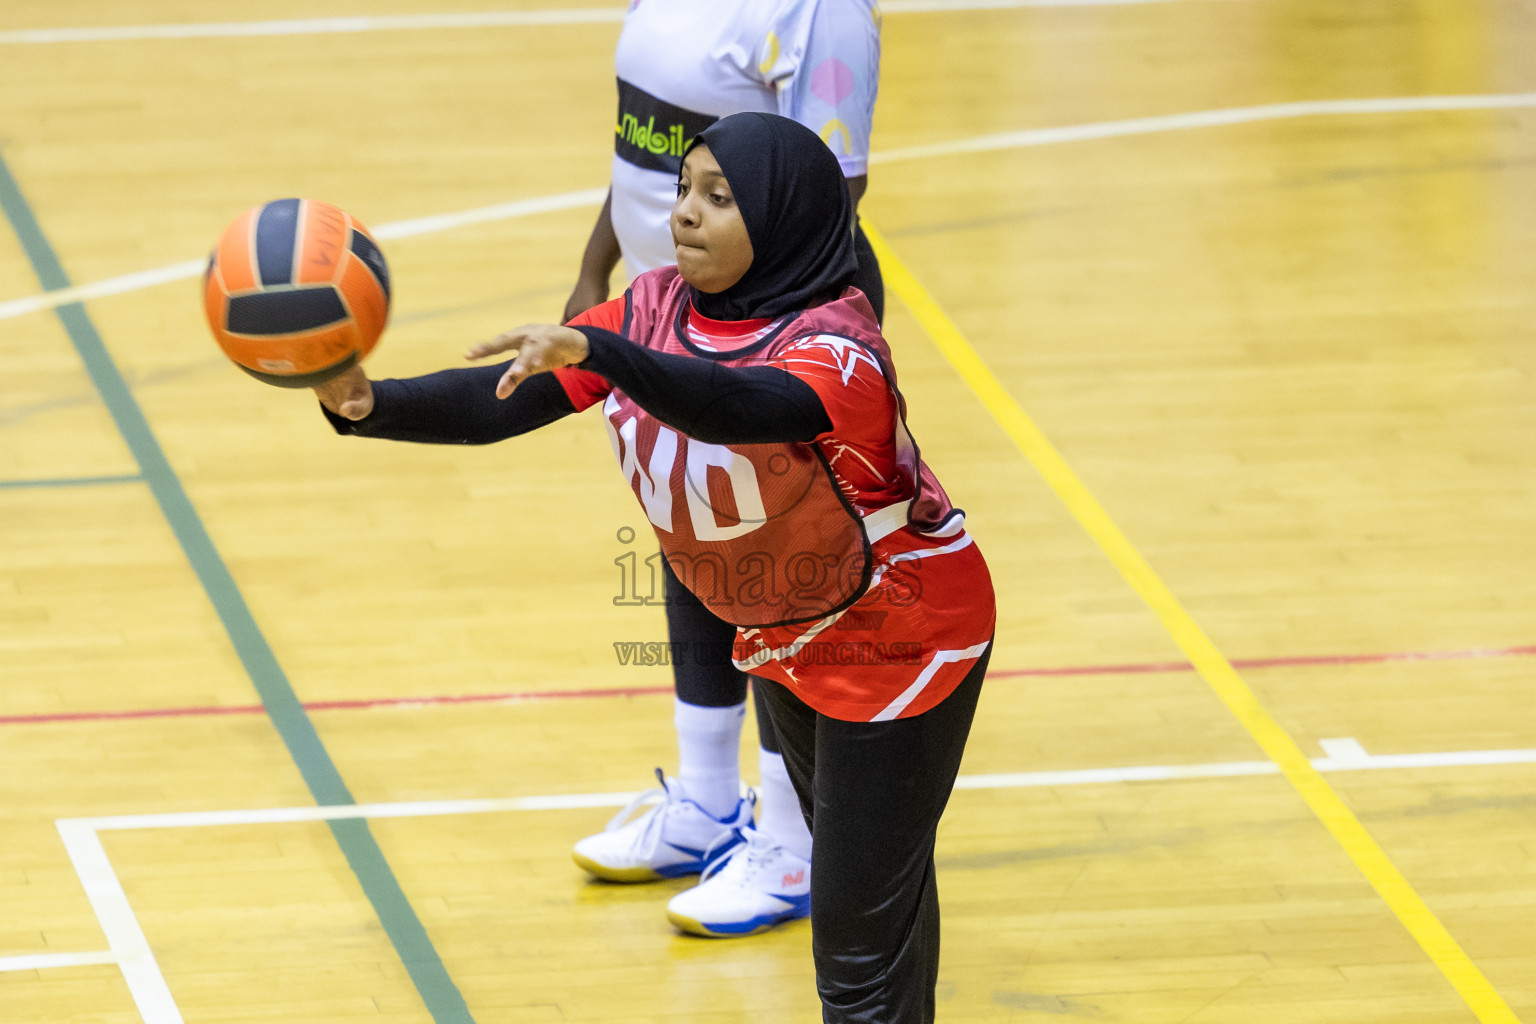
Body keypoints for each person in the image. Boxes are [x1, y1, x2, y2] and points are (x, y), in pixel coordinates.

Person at [316, 112, 996, 1023]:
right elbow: (502, 403)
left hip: (900, 643)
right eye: (683, 189)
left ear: (784, 217)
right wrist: (370, 405)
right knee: (877, 886)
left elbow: (736, 405)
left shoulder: (839, 351)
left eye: (720, 198)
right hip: (786, 634)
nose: (684, 214)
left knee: (855, 940)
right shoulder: (653, 308)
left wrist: (608, 355)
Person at [558, 0, 885, 938]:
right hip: (671, 318)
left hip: (769, 329)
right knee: (694, 534)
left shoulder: (820, 15)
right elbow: (650, 145)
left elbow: (818, 195)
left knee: (780, 573)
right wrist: (599, 265)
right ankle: (706, 802)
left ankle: (788, 847)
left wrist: (750, 343)